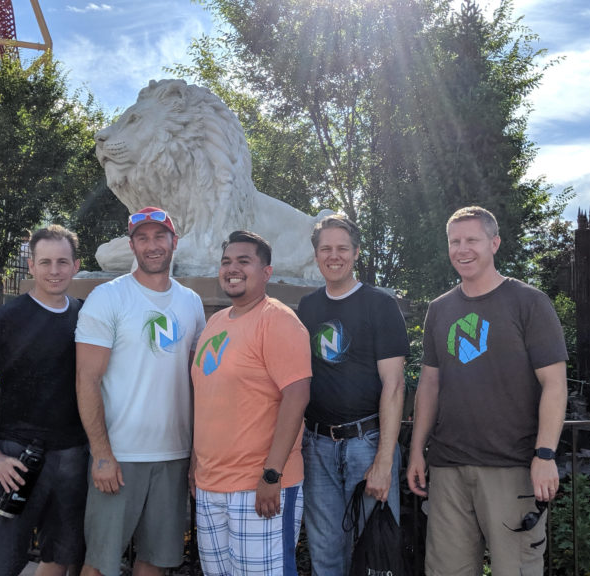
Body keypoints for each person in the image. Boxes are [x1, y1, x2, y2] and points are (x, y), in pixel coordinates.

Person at [406, 206, 568, 576]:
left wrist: (545, 454)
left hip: (512, 467)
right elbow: (429, 384)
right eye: (455, 241)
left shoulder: (529, 302)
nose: (462, 249)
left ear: (494, 243)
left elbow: (554, 383)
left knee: (517, 570)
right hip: (448, 468)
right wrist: (417, 451)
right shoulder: (440, 308)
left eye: (472, 240)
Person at [75, 207, 206, 576]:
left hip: (174, 456)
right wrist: (101, 453)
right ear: (131, 245)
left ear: (173, 242)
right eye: (143, 238)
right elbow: (87, 379)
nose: (152, 245)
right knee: (100, 564)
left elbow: (198, 385)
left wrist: (196, 453)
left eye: (159, 236)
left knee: (156, 562)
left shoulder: (191, 303)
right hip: (120, 456)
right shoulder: (108, 298)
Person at [0, 224, 88, 576]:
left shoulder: (85, 315)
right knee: (4, 564)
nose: (54, 270)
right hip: (16, 457)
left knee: (59, 556)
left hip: (72, 455)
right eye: (45, 262)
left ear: (76, 265)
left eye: (63, 262)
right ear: (30, 266)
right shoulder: (9, 317)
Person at [190, 230, 311, 576]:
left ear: (266, 272)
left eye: (244, 261)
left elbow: (297, 395)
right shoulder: (215, 322)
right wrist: (196, 469)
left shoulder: (278, 320)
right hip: (211, 485)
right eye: (227, 261)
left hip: (260, 488)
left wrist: (272, 474)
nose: (233, 268)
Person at [295, 214, 408, 574]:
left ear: (356, 253)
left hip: (367, 444)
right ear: (316, 255)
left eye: (342, 248)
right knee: (325, 554)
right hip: (317, 446)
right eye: (326, 248)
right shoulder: (308, 308)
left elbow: (394, 385)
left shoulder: (380, 305)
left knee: (374, 555)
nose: (334, 255)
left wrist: (384, 462)